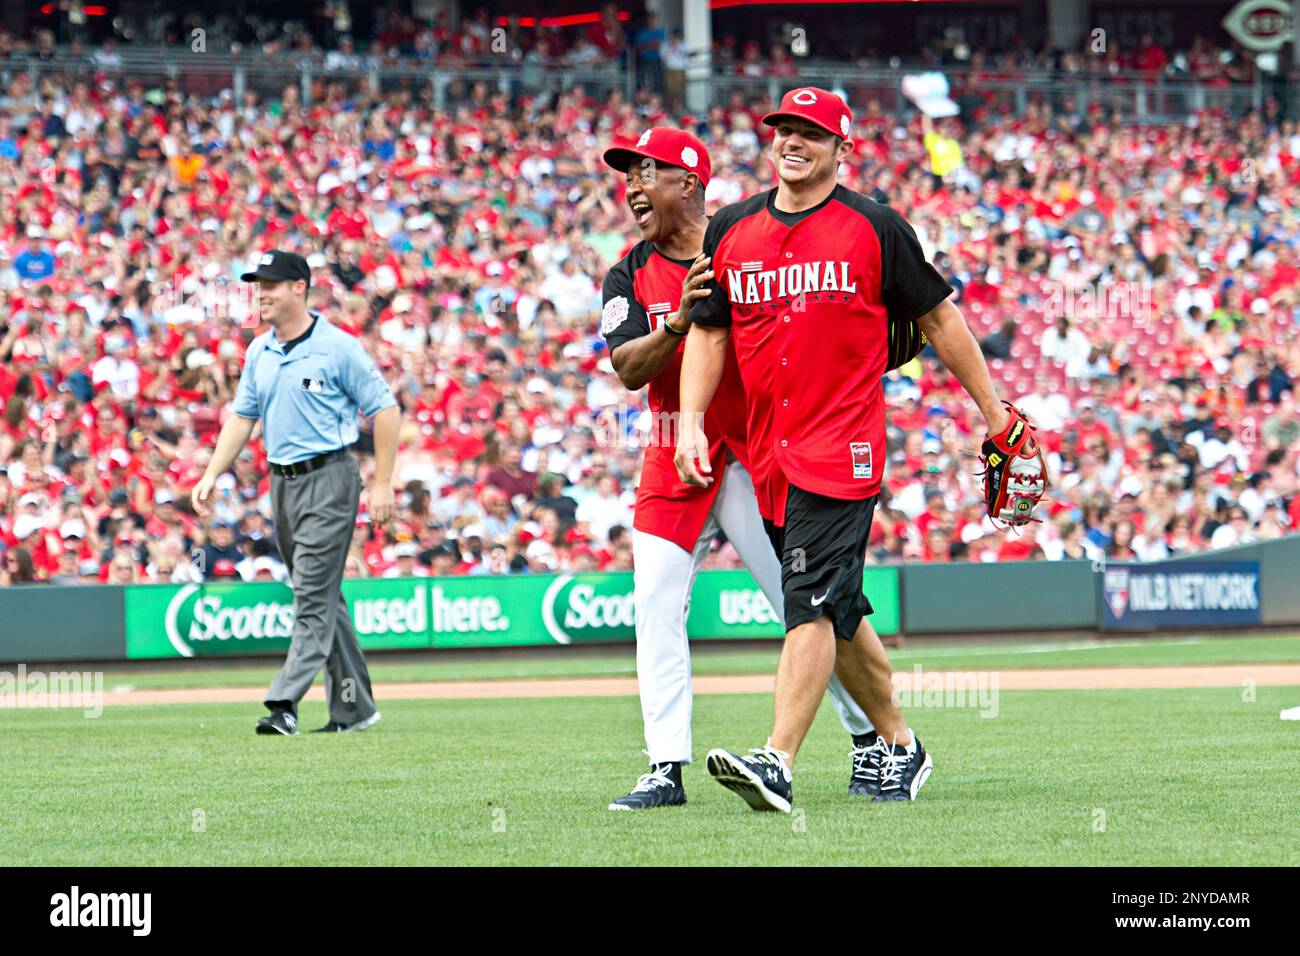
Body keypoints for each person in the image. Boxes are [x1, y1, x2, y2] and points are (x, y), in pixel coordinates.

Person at [677, 88, 1008, 810]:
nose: (793, 141)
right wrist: (692, 422)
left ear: (840, 148)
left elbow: (939, 320)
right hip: (768, 452)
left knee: (810, 608)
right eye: (784, 129)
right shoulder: (729, 229)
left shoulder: (876, 227)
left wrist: (994, 410)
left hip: (842, 446)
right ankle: (900, 742)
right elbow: (707, 330)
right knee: (841, 608)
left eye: (811, 133)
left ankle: (777, 761)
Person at [600, 127, 878, 812]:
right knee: (657, 608)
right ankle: (665, 767)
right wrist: (675, 324)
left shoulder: (746, 244)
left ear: (688, 181)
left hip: (760, 452)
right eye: (627, 175)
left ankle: (870, 735)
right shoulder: (628, 271)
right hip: (675, 454)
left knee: (807, 604)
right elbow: (626, 368)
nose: (631, 187)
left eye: (646, 173)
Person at [191, 250, 399, 736]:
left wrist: (383, 482)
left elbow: (385, 410)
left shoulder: (337, 346)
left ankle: (284, 701)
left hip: (329, 477)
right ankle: (355, 707)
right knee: (324, 595)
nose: (262, 293)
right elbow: (242, 418)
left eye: (272, 284)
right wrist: (211, 473)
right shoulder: (258, 351)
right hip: (280, 484)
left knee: (309, 592)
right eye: (258, 284)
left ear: (300, 287)